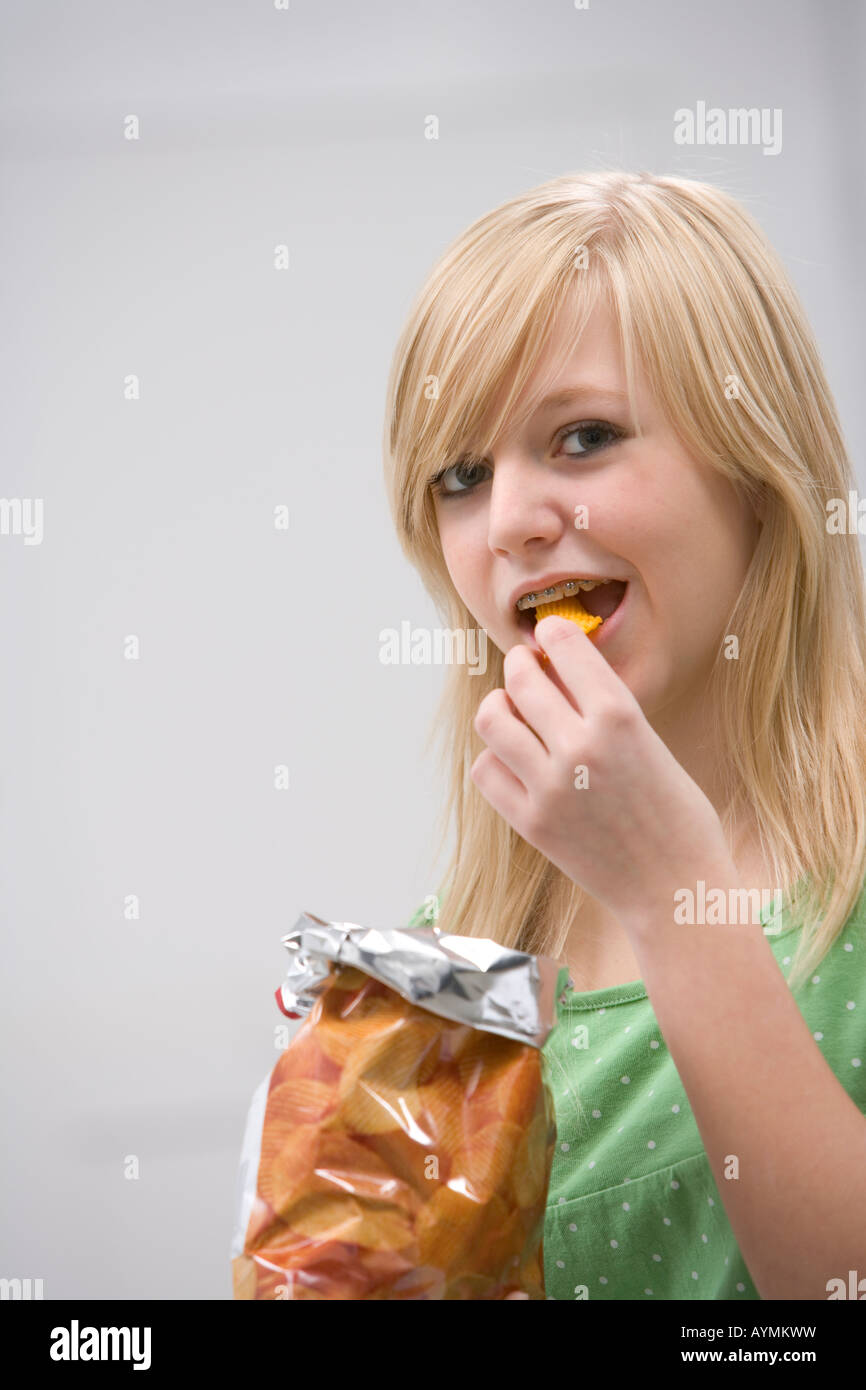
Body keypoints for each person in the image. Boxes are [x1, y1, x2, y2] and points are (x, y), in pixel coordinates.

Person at [383, 170, 866, 1301]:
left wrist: (667, 892)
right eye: (459, 475)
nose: (508, 522)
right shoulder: (449, 964)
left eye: (583, 437)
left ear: (756, 471)